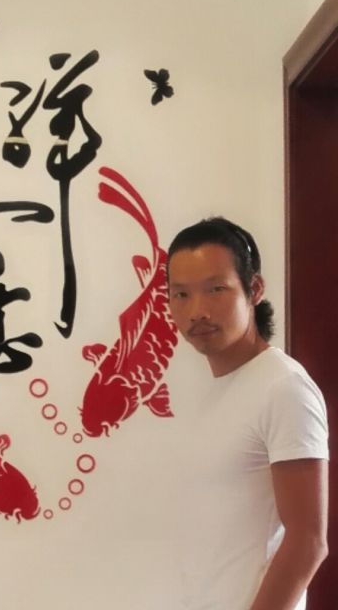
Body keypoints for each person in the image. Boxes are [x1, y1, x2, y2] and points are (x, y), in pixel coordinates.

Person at [166, 217, 328, 610]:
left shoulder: (283, 387)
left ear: (253, 290)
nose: (196, 311)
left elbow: (308, 542)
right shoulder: (214, 391)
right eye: (181, 294)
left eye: (215, 289)